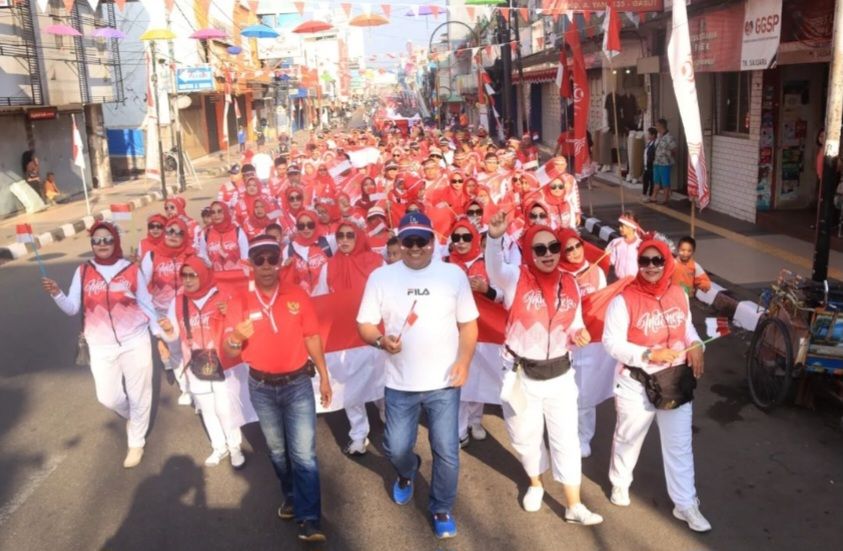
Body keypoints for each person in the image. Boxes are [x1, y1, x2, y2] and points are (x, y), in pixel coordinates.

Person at [357, 212, 479, 540]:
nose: (414, 248)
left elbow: (468, 324)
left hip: (443, 383)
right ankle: (407, 471)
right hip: (400, 384)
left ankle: (441, 507)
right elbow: (364, 325)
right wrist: (381, 340)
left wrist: (464, 362)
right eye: (407, 241)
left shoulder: (453, 275)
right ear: (398, 241)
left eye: (420, 241)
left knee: (447, 450)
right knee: (396, 447)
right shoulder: (381, 278)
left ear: (432, 241)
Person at [485, 212, 603, 525]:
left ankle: (573, 505)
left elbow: (575, 323)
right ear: (527, 252)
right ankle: (535, 483)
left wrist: (580, 333)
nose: (548, 254)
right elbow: (494, 269)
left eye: (553, 247)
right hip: (521, 376)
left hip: (561, 376)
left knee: (567, 439)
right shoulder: (515, 278)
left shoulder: (571, 284)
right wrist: (494, 238)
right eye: (539, 249)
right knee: (525, 435)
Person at [222, 236, 333, 543]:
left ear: (281, 261)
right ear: (251, 264)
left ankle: (310, 520)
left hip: (298, 385)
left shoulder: (297, 294)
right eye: (260, 260)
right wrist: (235, 336)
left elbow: (312, 336)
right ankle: (291, 496)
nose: (267, 265)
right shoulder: (239, 303)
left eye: (272, 258)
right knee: (278, 453)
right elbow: (230, 352)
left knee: (304, 455)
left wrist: (323, 375)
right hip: (262, 388)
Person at [602, 238, 711, 532]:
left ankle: (685, 503)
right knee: (628, 438)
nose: (651, 267)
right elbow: (611, 342)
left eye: (657, 261)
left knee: (679, 445)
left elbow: (686, 326)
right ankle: (620, 483)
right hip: (636, 381)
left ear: (667, 262)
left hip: (674, 380)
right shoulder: (623, 300)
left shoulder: (678, 293)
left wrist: (696, 343)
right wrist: (647, 353)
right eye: (645, 261)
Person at [41, 222, 158, 468]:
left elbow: (146, 304)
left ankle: (136, 442)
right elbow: (73, 309)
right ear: (92, 244)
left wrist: (161, 331)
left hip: (135, 340)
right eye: (97, 240)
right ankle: (134, 417)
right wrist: (57, 294)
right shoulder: (83, 271)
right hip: (100, 345)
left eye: (107, 239)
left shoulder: (130, 269)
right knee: (108, 397)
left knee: (140, 394)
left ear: (115, 241)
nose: (102, 244)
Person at [159, 255, 250, 469]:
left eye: (193, 275)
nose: (188, 280)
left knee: (224, 408)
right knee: (207, 408)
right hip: (195, 362)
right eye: (184, 276)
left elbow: (239, 325)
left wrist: (230, 314)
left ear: (204, 274)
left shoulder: (221, 294)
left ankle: (235, 446)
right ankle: (219, 447)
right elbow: (174, 339)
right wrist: (169, 332)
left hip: (222, 361)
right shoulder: (178, 301)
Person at [325, 223, 385, 455]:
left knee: (382, 380)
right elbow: (321, 297)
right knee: (351, 387)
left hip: (374, 332)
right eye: (339, 235)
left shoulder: (377, 263)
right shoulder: (328, 266)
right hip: (345, 338)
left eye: (350, 235)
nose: (344, 239)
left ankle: (387, 418)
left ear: (359, 237)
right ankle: (358, 434)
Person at [557, 229, 615, 458]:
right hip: (564, 341)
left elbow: (601, 301)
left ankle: (584, 437)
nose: (574, 252)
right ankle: (566, 433)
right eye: (567, 249)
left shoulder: (596, 272)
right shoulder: (557, 273)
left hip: (590, 341)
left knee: (586, 392)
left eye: (577, 246)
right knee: (565, 392)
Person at [444, 219, 500, 448]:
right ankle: (458, 429)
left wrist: (485, 290)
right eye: (456, 238)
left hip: (484, 332)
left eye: (466, 237)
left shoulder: (488, 263)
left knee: (480, 376)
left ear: (475, 238)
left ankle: (476, 421)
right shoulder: (444, 264)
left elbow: (501, 296)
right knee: (458, 377)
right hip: (453, 331)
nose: (461, 242)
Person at [141, 217, 193, 405]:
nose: (173, 236)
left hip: (187, 309)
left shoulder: (190, 254)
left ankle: (198, 385)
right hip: (162, 311)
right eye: (170, 231)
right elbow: (141, 286)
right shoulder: (152, 256)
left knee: (191, 347)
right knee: (175, 349)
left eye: (179, 232)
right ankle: (185, 387)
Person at [608, 213, 643, 279]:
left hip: (635, 282)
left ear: (630, 227)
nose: (620, 228)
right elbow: (610, 261)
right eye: (619, 226)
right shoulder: (616, 242)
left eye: (622, 226)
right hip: (619, 282)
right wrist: (606, 256)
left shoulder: (640, 244)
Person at [651, 118, 677, 205]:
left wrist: (668, 156)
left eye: (657, 125)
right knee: (656, 181)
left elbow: (674, 149)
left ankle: (665, 198)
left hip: (665, 163)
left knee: (665, 182)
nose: (656, 127)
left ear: (661, 126)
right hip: (657, 162)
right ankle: (654, 196)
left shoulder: (669, 137)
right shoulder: (659, 137)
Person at [642, 127, 657, 202]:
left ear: (653, 135)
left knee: (651, 181)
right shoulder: (649, 143)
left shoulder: (655, 144)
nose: (648, 136)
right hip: (646, 165)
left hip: (651, 165)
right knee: (645, 181)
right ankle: (644, 194)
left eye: (649, 134)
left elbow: (653, 155)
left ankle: (651, 196)